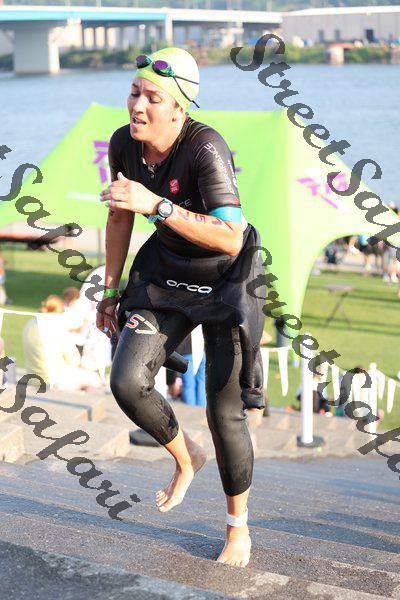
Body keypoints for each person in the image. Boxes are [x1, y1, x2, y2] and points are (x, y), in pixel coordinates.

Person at [96, 47, 267, 568]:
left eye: (153, 97)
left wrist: (158, 204)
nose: (138, 105)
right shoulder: (124, 144)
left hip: (226, 281)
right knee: (128, 381)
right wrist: (110, 291)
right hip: (167, 270)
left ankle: (238, 528)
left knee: (223, 412)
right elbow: (120, 216)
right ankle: (185, 455)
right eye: (134, 92)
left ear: (179, 108)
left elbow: (231, 237)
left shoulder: (205, 147)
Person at [23, 294, 102, 391]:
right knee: (95, 379)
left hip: (32, 379)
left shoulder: (29, 324)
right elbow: (73, 360)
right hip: (53, 380)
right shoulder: (57, 328)